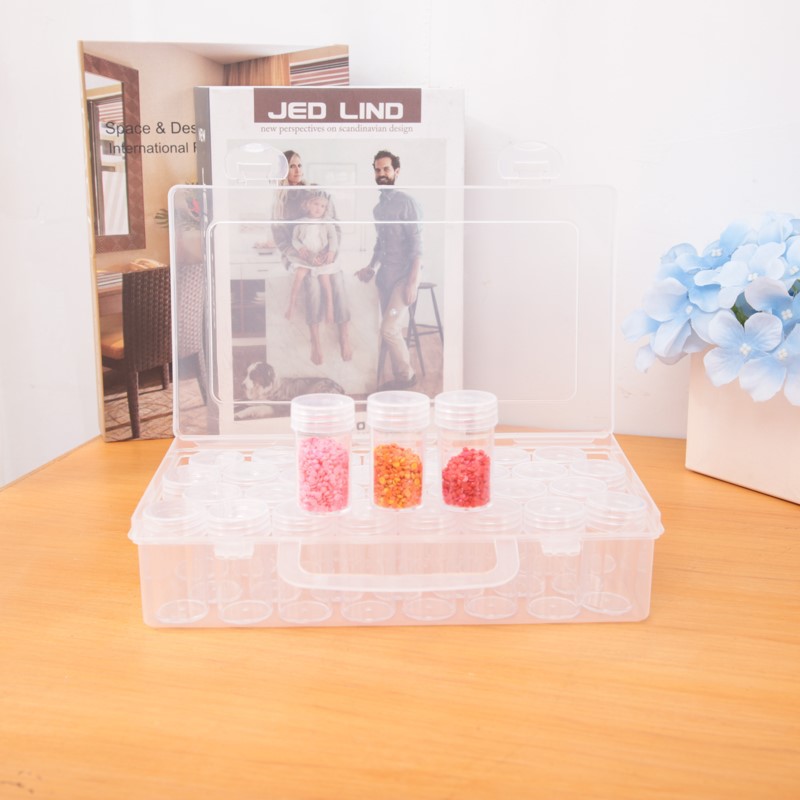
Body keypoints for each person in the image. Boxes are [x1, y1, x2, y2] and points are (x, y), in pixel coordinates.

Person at [272, 150, 353, 364]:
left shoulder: (316, 192)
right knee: (313, 285)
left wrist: (330, 253)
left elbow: (335, 227)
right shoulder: (279, 203)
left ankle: (344, 334)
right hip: (299, 256)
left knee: (338, 281)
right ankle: (315, 340)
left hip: (325, 254)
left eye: (299, 165)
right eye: (291, 166)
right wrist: (303, 255)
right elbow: (282, 241)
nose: (297, 170)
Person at [356, 150, 422, 390]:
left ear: (396, 171)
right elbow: (379, 244)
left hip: (404, 277)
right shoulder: (378, 209)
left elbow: (417, 247)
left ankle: (406, 377)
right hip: (385, 277)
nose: (381, 173)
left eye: (386, 169)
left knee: (389, 328)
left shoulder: (407, 203)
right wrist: (371, 267)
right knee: (388, 329)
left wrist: (412, 283)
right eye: (377, 169)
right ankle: (391, 377)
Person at [285, 190, 338, 325]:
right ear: (308, 204)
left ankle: (330, 308)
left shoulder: (326, 223)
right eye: (316, 204)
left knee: (325, 280)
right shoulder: (301, 223)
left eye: (322, 206)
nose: (319, 208)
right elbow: (295, 239)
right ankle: (292, 304)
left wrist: (331, 252)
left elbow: (333, 238)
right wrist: (300, 248)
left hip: (321, 256)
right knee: (299, 275)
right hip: (306, 257)